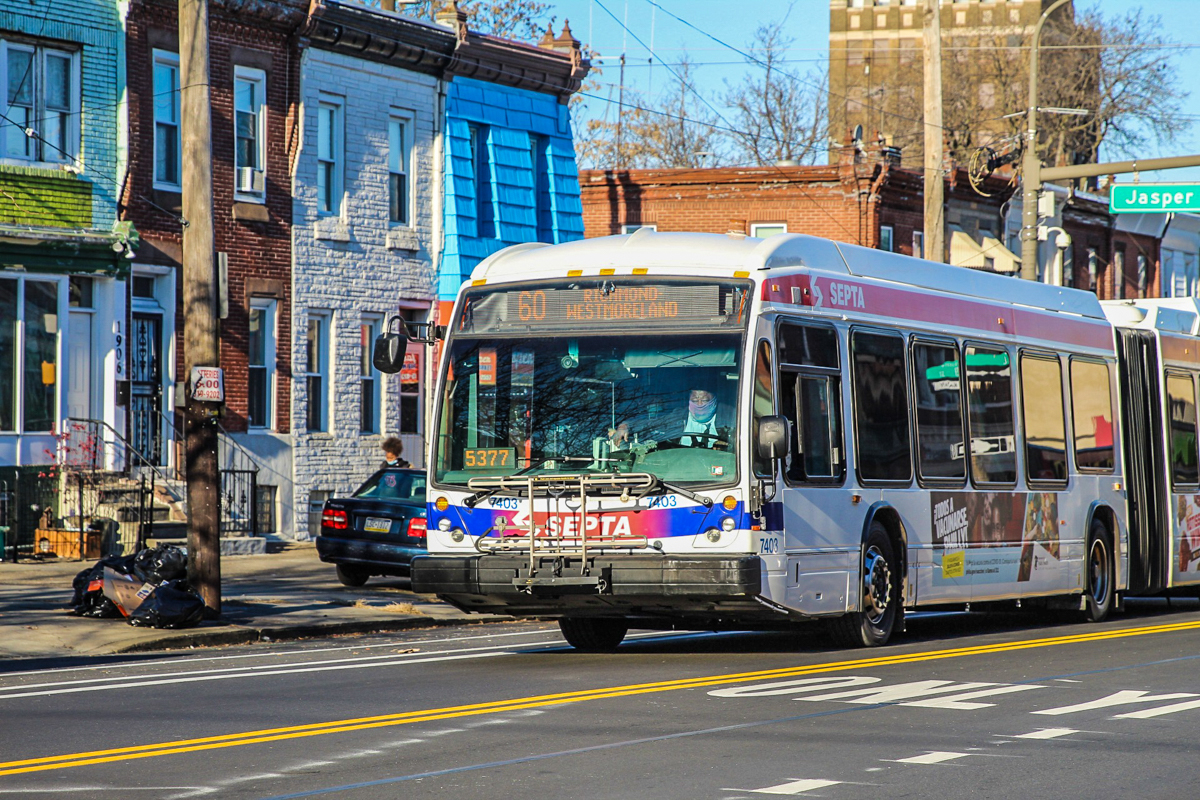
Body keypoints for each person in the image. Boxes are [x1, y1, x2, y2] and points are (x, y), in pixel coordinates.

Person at [608, 387, 734, 450]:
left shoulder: (730, 415)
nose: (699, 404)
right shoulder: (679, 416)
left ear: (715, 399)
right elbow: (651, 424)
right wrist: (625, 426)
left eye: (705, 400)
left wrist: (729, 446)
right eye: (695, 400)